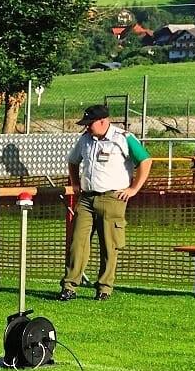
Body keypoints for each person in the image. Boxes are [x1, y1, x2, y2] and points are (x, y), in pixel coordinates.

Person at [59, 104, 152, 301]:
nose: (86, 128)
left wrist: (133, 189)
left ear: (103, 121)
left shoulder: (123, 138)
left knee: (109, 246)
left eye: (89, 124)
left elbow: (145, 160)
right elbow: (73, 161)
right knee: (77, 242)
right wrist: (75, 183)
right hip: (86, 198)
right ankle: (69, 286)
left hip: (112, 198)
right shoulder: (85, 139)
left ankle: (104, 288)